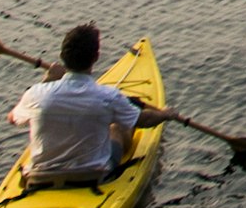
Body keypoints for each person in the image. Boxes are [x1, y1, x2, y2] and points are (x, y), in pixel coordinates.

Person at [9, 24, 160, 185]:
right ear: (95, 57)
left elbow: (12, 118)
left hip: (40, 177)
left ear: (62, 56)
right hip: (91, 176)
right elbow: (144, 120)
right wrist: (166, 114)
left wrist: (48, 80)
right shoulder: (108, 96)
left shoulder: (36, 94)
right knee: (116, 127)